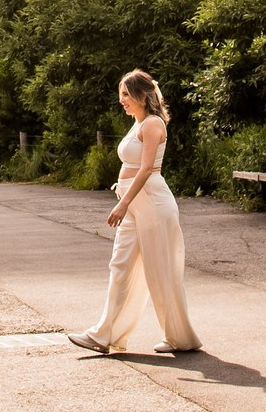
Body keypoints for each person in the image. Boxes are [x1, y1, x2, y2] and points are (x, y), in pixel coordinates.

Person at [67, 70, 200, 357]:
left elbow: (147, 169)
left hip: (151, 202)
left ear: (142, 95)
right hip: (135, 206)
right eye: (121, 95)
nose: (122, 101)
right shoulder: (137, 123)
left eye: (126, 95)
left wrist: (123, 202)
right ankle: (105, 335)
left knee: (161, 270)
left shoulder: (152, 124)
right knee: (121, 266)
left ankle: (180, 337)